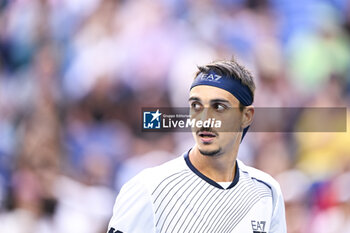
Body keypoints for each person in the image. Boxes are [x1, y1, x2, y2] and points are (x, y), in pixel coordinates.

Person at [107, 59, 287, 233]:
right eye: (196, 106)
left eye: (219, 107)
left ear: (246, 116)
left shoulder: (267, 191)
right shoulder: (148, 187)